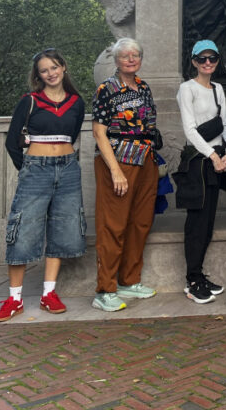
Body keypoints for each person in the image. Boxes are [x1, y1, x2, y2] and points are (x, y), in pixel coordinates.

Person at [0, 49, 86, 322]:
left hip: (68, 170)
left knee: (63, 228)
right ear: (38, 75)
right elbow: (13, 143)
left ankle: (49, 293)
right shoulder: (30, 101)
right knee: (23, 229)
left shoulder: (76, 102)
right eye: (44, 70)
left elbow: (73, 135)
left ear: (64, 68)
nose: (50, 73)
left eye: (54, 67)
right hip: (36, 170)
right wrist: (28, 170)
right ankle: (14, 299)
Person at [91, 38, 161, 312]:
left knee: (140, 222)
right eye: (125, 55)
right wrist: (115, 170)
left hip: (146, 160)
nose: (131, 59)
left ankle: (129, 281)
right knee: (113, 226)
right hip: (118, 162)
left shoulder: (143, 87)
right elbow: (99, 132)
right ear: (116, 60)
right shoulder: (106, 89)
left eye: (135, 55)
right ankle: (105, 289)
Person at [176, 39, 226, 304]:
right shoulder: (186, 89)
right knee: (196, 224)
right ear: (194, 62)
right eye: (203, 59)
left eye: (212, 59)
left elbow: (225, 124)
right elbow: (189, 129)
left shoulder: (218, 88)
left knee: (209, 222)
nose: (208, 63)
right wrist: (212, 155)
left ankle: (199, 273)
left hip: (217, 161)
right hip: (199, 162)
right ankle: (192, 280)